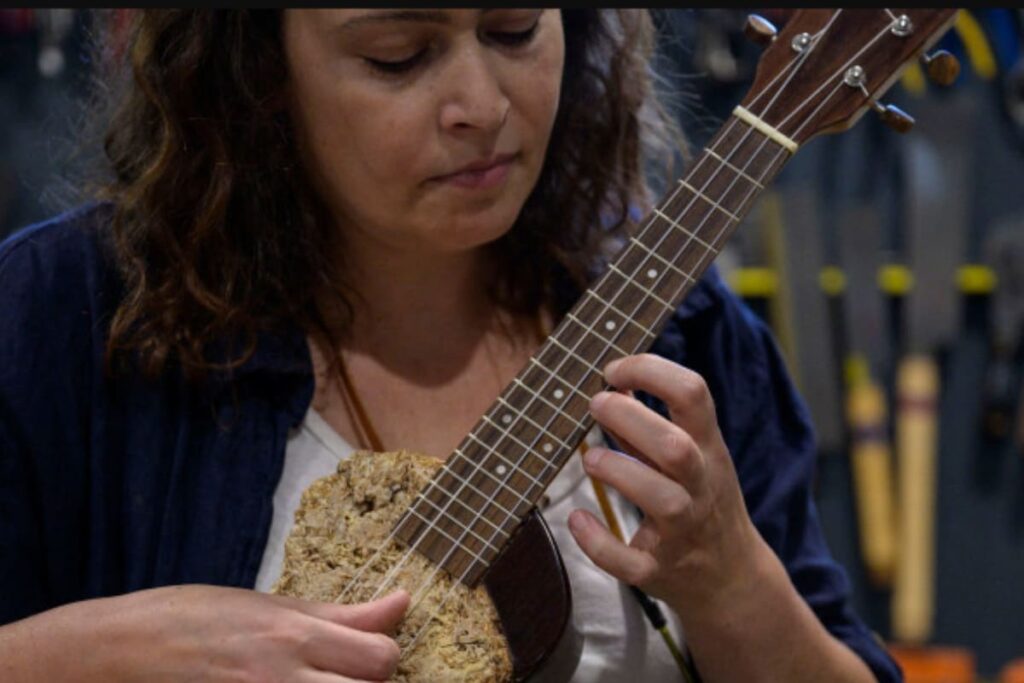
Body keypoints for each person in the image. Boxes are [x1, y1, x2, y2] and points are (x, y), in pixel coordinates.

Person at [0, 9, 902, 682]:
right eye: (399, 55)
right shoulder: (67, 314)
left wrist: (732, 583)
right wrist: (110, 648)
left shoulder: (688, 333)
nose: (482, 104)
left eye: (515, 30)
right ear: (257, 67)